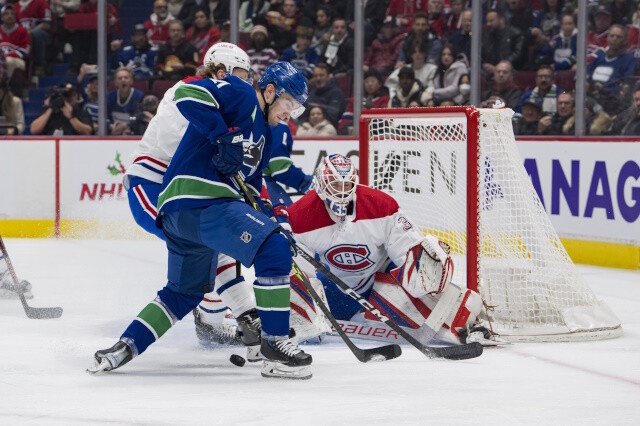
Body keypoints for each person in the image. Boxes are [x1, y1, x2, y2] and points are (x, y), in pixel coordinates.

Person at [90, 60, 314, 380]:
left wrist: (277, 216)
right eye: (288, 104)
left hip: (182, 218)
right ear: (269, 90)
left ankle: (125, 347)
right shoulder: (242, 93)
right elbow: (186, 91)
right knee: (273, 248)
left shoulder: (263, 136)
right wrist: (223, 135)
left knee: (183, 293)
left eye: (297, 110)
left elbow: (251, 190)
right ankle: (275, 346)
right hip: (201, 201)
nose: (289, 114)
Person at [277, 154, 486, 346]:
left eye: (346, 184)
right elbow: (295, 269)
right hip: (334, 293)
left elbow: (407, 252)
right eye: (335, 185)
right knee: (304, 324)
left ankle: (470, 321)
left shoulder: (381, 206)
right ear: (322, 185)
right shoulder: (300, 216)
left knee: (453, 301)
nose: (341, 191)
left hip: (377, 285)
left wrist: (422, 266)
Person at [303, 63, 346, 127]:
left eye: (321, 75)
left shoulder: (336, 94)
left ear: (328, 77)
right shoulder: (311, 93)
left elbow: (333, 116)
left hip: (328, 129)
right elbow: (303, 115)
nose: (318, 78)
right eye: (316, 76)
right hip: (309, 128)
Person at [107, 67, 144, 135]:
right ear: (115, 82)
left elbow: (138, 116)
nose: (123, 80)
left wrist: (127, 124)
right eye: (120, 78)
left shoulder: (139, 96)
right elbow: (105, 116)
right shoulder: (110, 96)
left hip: (133, 132)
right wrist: (110, 125)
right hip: (114, 131)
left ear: (131, 81)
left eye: (126, 78)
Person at [0, 4, 30, 80]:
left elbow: (25, 51)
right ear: (2, 17)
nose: (10, 16)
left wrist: (5, 55)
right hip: (1, 59)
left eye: (12, 14)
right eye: (6, 14)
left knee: (8, 61)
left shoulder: (22, 31)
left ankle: (4, 85)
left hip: (18, 60)